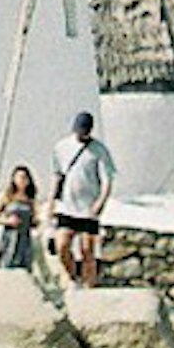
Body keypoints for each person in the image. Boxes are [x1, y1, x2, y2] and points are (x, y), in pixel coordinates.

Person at [51, 113, 115, 288]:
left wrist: (100, 203)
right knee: (62, 245)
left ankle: (89, 284)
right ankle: (73, 277)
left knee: (87, 249)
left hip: (88, 208)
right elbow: (57, 175)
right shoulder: (62, 147)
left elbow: (107, 180)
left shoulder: (99, 150)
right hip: (67, 205)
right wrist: (51, 203)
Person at [0, 165, 41, 275]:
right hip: (10, 236)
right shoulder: (7, 196)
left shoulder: (30, 199)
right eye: (19, 177)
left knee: (24, 264)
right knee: (8, 261)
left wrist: (35, 221)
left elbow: (35, 218)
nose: (21, 180)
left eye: (24, 178)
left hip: (24, 237)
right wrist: (7, 221)